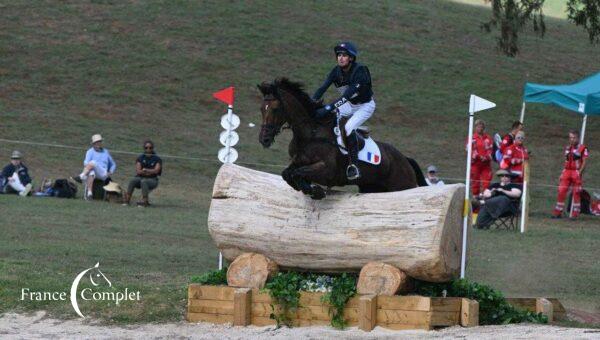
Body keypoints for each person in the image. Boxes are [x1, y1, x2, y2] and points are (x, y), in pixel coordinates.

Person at [312, 41, 374, 180]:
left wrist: (327, 108)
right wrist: (310, 102)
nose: (340, 57)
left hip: (364, 106)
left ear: (351, 58)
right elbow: (322, 88)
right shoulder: (336, 71)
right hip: (349, 104)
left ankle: (354, 166)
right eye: (338, 55)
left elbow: (346, 96)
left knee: (348, 127)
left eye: (344, 55)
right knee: (331, 118)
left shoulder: (360, 71)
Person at [552, 130, 589, 219]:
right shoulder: (568, 148)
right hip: (567, 171)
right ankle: (558, 212)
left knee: (576, 192)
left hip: (576, 171)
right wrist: (562, 172)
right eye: (570, 137)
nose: (572, 139)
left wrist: (579, 172)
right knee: (561, 190)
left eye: (574, 138)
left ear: (578, 138)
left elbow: (584, 162)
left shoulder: (583, 148)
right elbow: (566, 160)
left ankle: (575, 214)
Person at [72, 134, 117, 200]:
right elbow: (86, 163)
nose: (98, 143)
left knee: (93, 162)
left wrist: (110, 172)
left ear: (101, 143)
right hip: (92, 172)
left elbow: (113, 164)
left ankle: (81, 177)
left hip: (103, 173)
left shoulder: (106, 152)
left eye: (99, 142)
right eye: (96, 142)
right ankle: (90, 193)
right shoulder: (90, 152)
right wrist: (91, 167)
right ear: (93, 144)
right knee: (91, 171)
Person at [122, 140, 162, 207]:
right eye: (146, 148)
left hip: (153, 179)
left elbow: (156, 171)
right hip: (140, 177)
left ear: (153, 148)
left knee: (144, 181)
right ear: (144, 148)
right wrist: (149, 172)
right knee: (133, 180)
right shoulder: (140, 158)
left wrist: (146, 170)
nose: (148, 149)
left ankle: (144, 201)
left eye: (150, 147)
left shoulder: (157, 159)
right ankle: (127, 200)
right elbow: (138, 171)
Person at [467, 119, 493, 199]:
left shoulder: (488, 138)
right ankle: (475, 198)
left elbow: (491, 149)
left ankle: (485, 198)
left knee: (487, 181)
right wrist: (479, 156)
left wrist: (486, 157)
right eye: (478, 127)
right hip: (475, 164)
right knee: (475, 181)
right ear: (475, 127)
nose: (480, 128)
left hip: (486, 164)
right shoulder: (472, 137)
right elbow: (470, 149)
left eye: (481, 127)